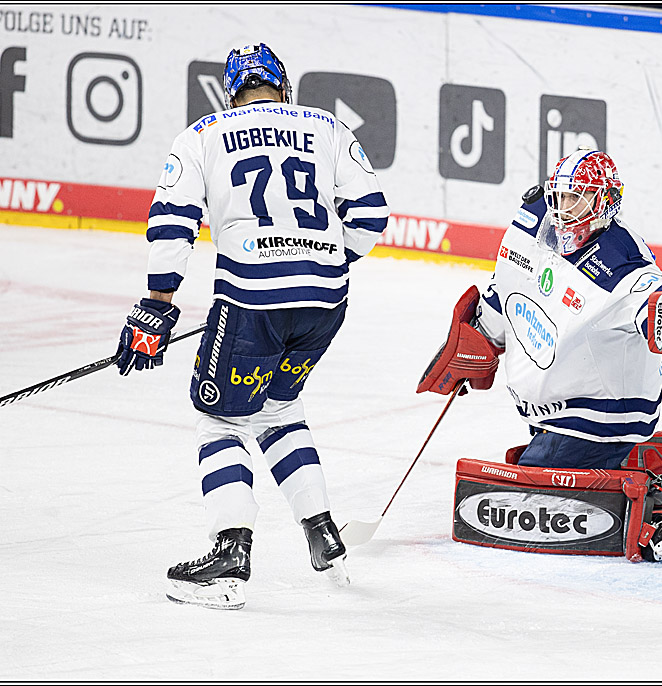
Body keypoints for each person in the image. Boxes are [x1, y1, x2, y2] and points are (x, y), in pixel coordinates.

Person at [115, 43, 389, 609]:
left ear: (230, 91)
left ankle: (229, 556)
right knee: (279, 411)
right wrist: (321, 263)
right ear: (284, 88)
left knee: (219, 422)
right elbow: (371, 217)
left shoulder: (201, 135)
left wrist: (157, 304)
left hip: (251, 304)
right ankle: (322, 532)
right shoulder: (327, 126)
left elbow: (173, 220)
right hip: (324, 302)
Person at [418, 148, 662, 561]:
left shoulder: (622, 263)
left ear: (606, 202)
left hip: (598, 421)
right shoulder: (531, 220)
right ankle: (660, 474)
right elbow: (508, 284)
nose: (563, 209)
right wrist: (480, 336)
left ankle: (650, 506)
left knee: (525, 493)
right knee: (533, 470)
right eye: (560, 196)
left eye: (578, 198)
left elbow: (656, 305)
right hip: (549, 414)